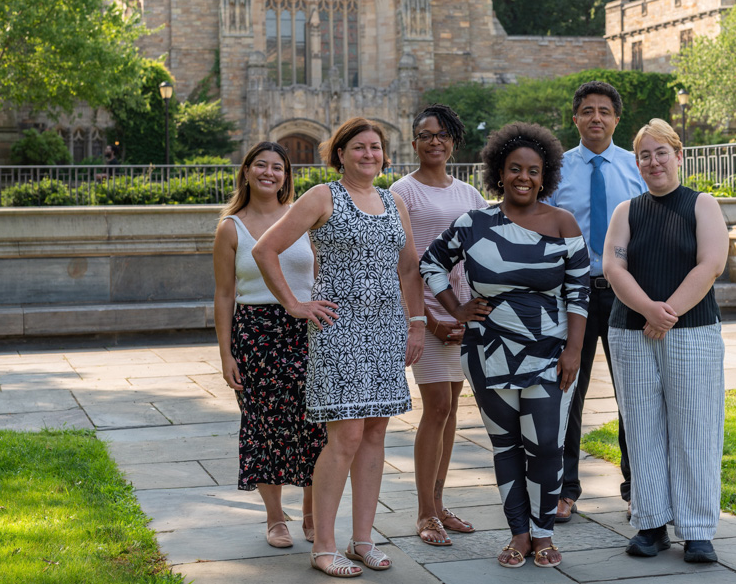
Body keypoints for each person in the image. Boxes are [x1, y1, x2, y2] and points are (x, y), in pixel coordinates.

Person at [252, 118, 426, 578]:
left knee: (374, 435)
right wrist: (294, 304)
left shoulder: (394, 202)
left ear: (384, 155)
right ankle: (323, 545)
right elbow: (265, 250)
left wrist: (417, 324)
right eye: (359, 148)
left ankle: (362, 540)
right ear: (341, 153)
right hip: (339, 330)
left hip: (387, 329)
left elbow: (409, 269)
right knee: (344, 437)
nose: (369, 154)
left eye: (376, 147)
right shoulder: (323, 197)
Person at [420, 121, 589, 569]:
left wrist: (573, 350)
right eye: (514, 169)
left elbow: (579, 293)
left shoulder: (562, 223)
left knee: (547, 444)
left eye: (533, 170)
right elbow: (431, 263)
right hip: (487, 351)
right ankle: (518, 532)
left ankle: (544, 531)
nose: (523, 178)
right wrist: (456, 309)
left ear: (545, 174)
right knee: (506, 444)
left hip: (549, 353)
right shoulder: (474, 223)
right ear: (499, 171)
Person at [602, 118, 729, 564]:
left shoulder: (702, 205)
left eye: (660, 153)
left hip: (692, 331)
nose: (652, 162)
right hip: (630, 331)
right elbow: (614, 268)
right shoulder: (626, 211)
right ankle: (651, 525)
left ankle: (696, 530)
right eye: (644, 155)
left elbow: (710, 263)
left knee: (696, 426)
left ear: (678, 156)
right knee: (640, 427)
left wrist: (667, 312)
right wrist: (648, 312)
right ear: (636, 162)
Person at [211, 141, 326, 550]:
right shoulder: (231, 227)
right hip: (255, 332)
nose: (269, 173)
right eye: (261, 165)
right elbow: (224, 295)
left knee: (316, 423)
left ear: (286, 176)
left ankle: (314, 514)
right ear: (246, 172)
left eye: (278, 167)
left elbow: (321, 273)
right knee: (264, 424)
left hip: (306, 329)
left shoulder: (302, 219)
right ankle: (276, 518)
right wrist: (225, 354)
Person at [545, 80, 646, 523]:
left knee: (634, 394)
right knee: (569, 391)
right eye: (587, 111)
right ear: (575, 119)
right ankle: (566, 489)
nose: (596, 118)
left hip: (626, 294)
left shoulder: (636, 166)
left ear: (616, 119)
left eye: (604, 111)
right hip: (574, 295)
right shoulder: (557, 170)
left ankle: (637, 488)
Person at [391, 105, 487, 547]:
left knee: (451, 411)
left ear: (454, 141)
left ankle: (439, 501)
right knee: (436, 410)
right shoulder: (401, 192)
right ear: (413, 143)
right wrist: (426, 320)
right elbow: (404, 265)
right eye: (426, 135)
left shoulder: (469, 195)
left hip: (465, 316)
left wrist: (472, 316)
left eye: (443, 134)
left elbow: (483, 255)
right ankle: (425, 513)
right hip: (425, 315)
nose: (435, 141)